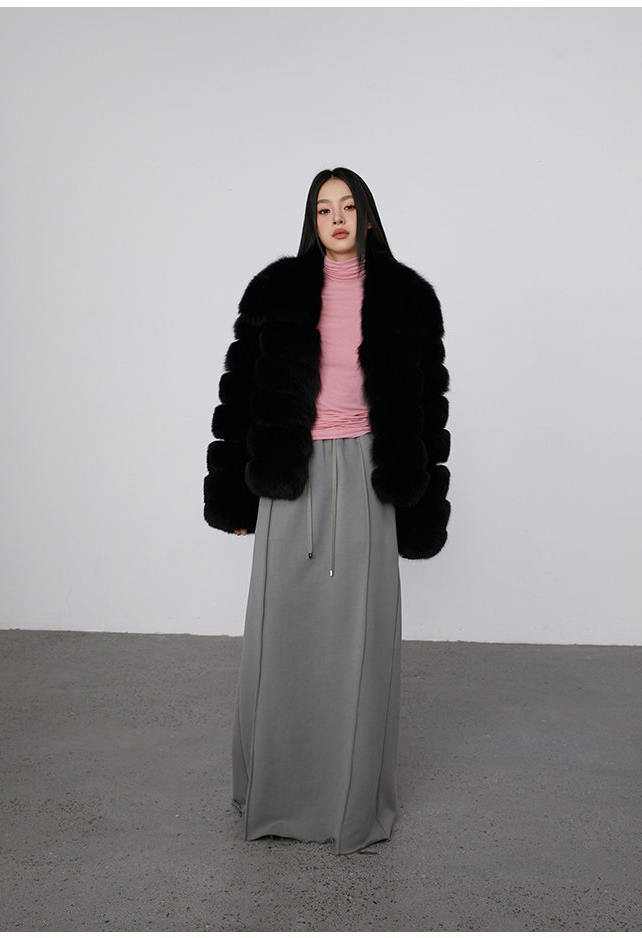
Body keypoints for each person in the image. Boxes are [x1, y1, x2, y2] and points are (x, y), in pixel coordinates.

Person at [203, 167, 450, 855]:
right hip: (292, 476)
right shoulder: (275, 292)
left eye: (347, 206)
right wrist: (233, 497)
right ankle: (276, 794)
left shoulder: (407, 298)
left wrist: (421, 512)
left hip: (369, 474)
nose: (336, 218)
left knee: (361, 645)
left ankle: (350, 802)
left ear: (367, 216)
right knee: (281, 639)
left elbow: (426, 409)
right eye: (323, 208)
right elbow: (240, 397)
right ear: (312, 221)